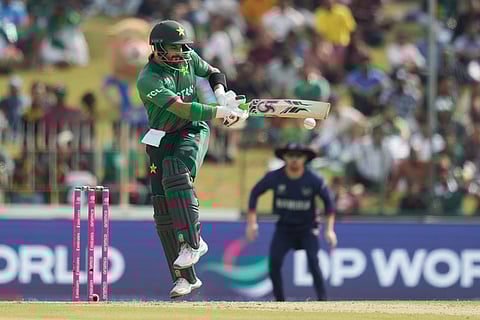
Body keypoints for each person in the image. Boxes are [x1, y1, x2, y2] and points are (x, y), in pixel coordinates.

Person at [136, 20, 248, 298]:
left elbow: (214, 72)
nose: (182, 53)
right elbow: (183, 109)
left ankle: (193, 243)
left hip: (192, 131)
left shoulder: (188, 59)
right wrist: (220, 113)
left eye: (184, 47)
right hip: (162, 136)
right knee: (163, 212)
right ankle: (184, 279)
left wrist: (222, 97)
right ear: (158, 48)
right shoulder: (149, 78)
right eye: (175, 48)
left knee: (176, 170)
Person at [246, 143, 337, 301]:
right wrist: (252, 223)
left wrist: (329, 230)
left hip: (308, 228)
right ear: (284, 157)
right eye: (291, 156)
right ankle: (280, 302)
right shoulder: (274, 177)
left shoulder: (314, 179)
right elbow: (254, 193)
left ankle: (323, 301)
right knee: (274, 263)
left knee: (313, 262)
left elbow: (329, 204)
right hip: (284, 228)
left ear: (305, 158)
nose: (295, 160)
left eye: (299, 156)